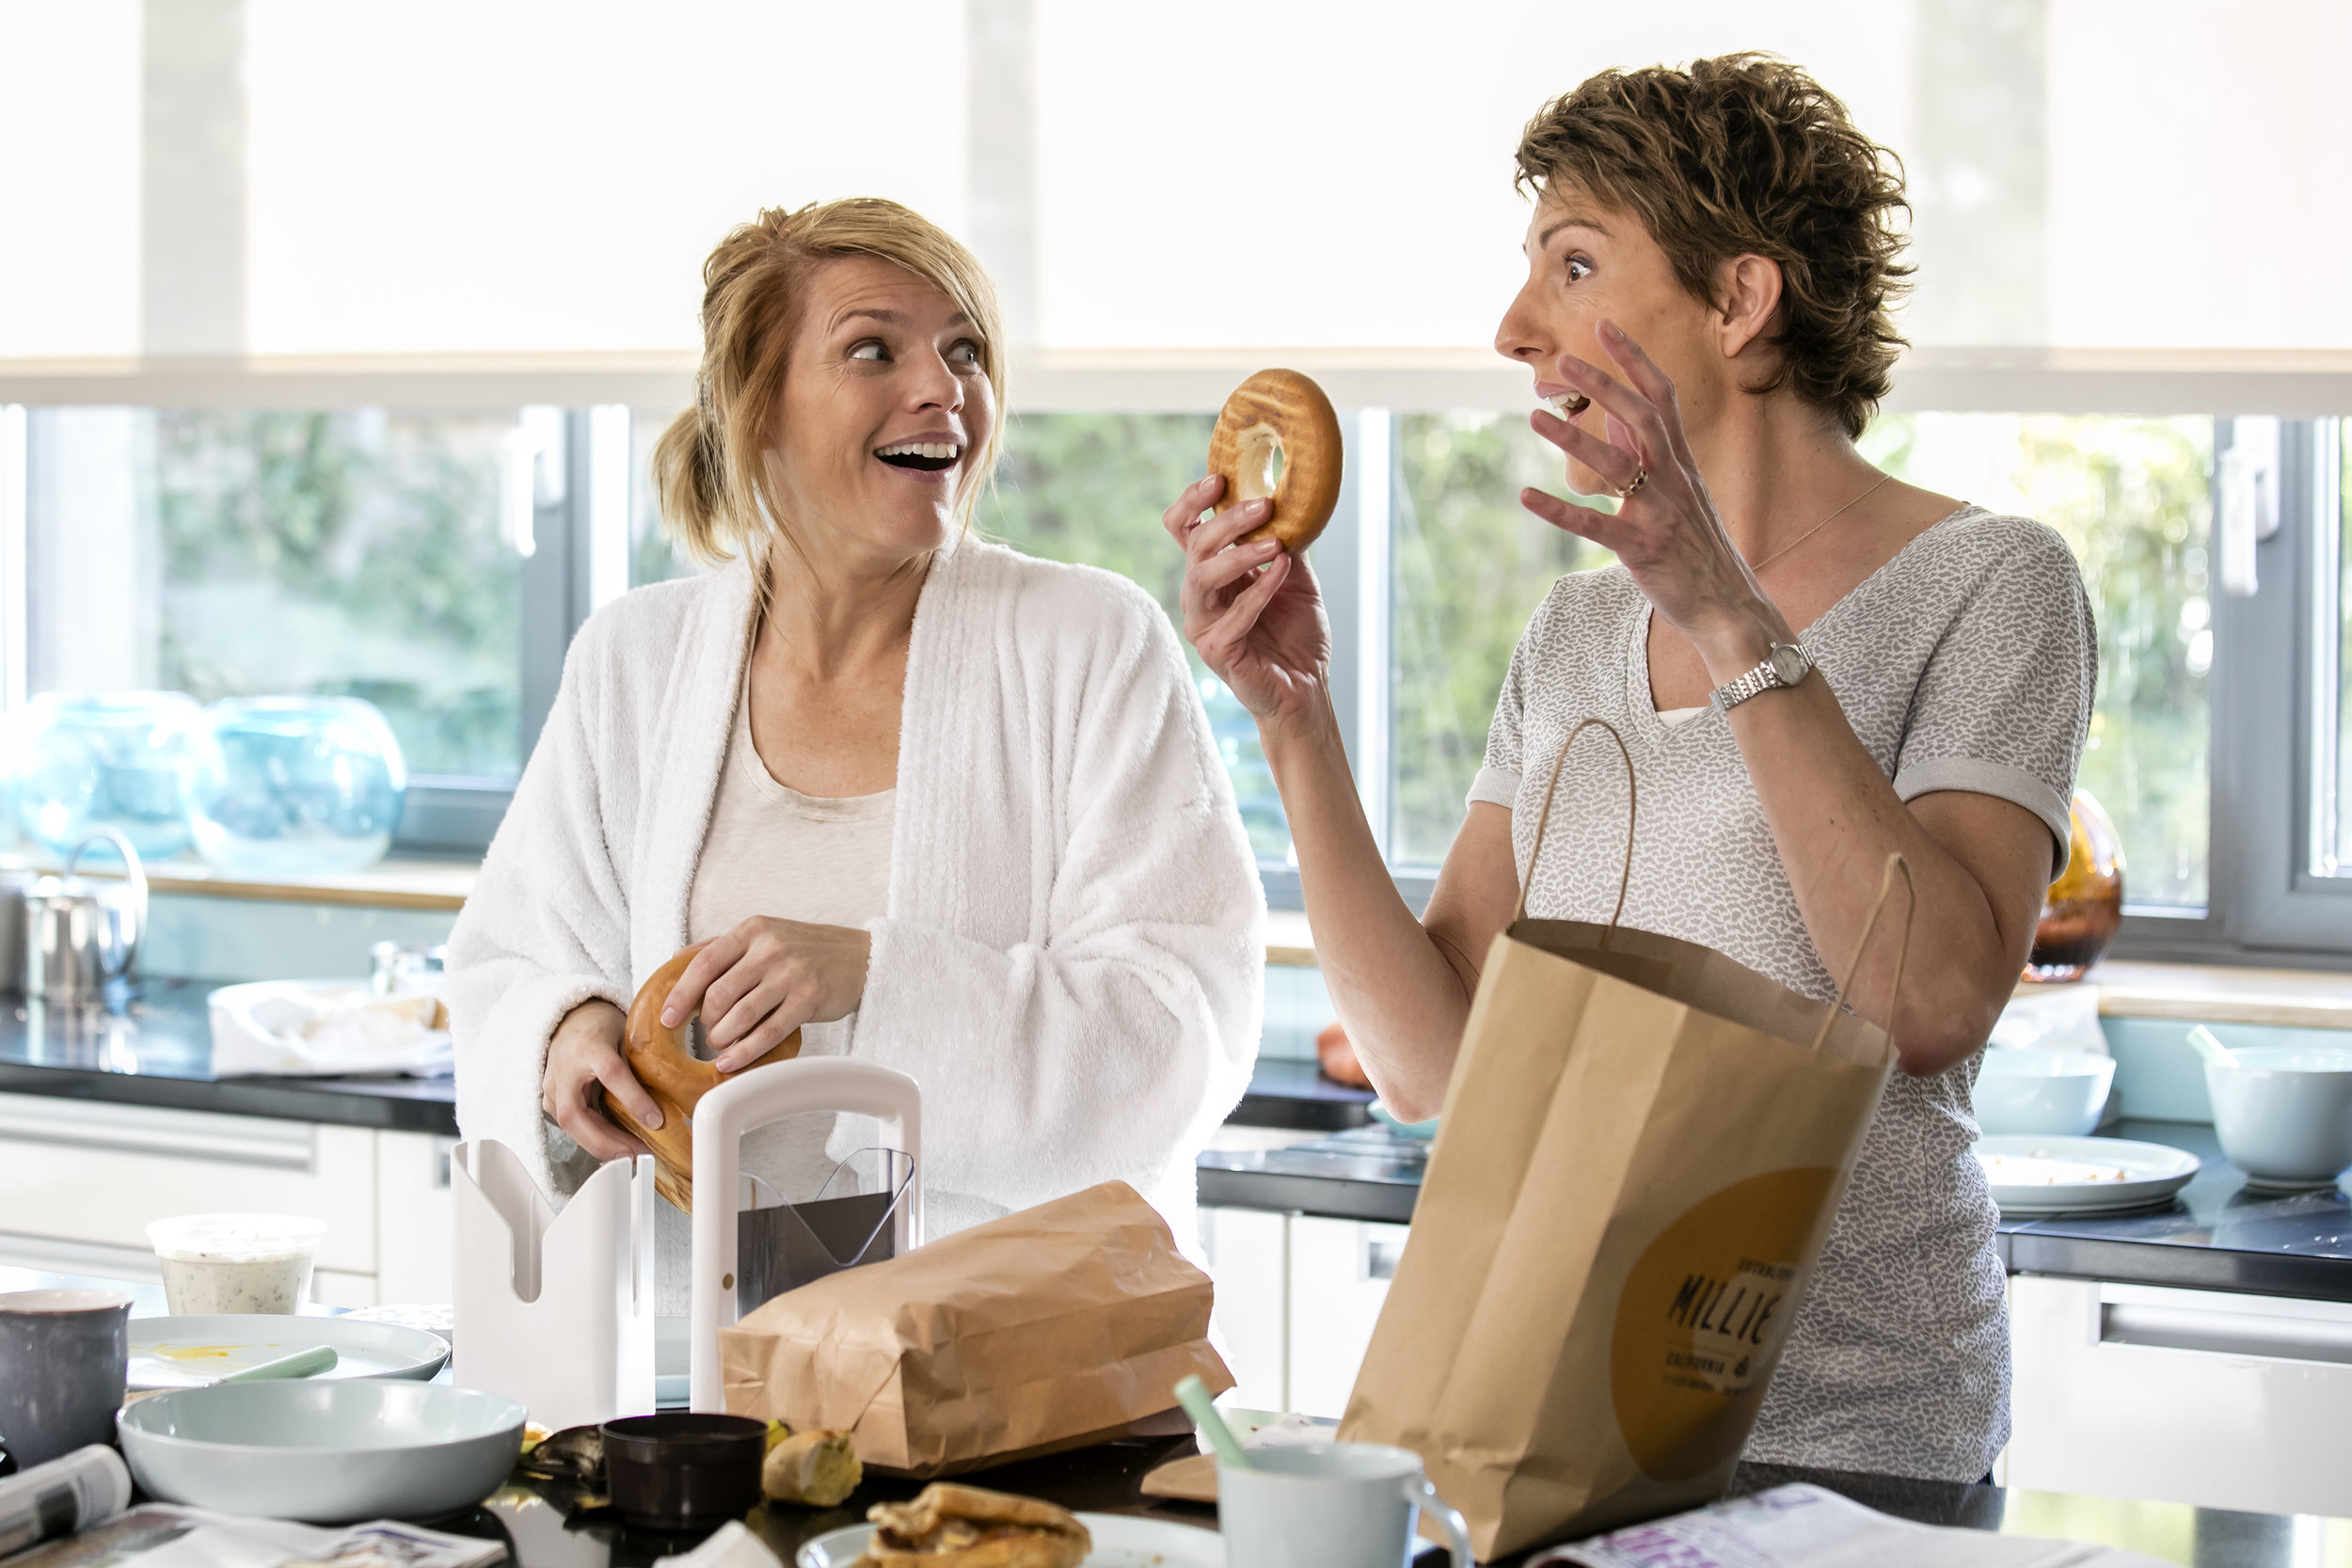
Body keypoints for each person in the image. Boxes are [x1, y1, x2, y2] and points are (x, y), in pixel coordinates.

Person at [1164, 56, 2093, 1481]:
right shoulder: (1578, 625)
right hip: (1563, 1423)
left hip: (1854, 1447)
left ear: (1738, 299)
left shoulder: (1990, 584)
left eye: (1576, 262)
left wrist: (1729, 614)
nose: (1514, 326)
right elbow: (1435, 1066)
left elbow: (1930, 1002)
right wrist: (1298, 720)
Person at [449, 198, 1262, 1287]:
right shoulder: (632, 663)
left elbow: (1178, 1030)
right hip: (702, 1364)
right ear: (758, 408)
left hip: (1001, 1349)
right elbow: (510, 964)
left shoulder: (1091, 642)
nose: (943, 387)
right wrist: (567, 1031)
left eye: (964, 349)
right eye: (873, 348)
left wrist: (872, 976)